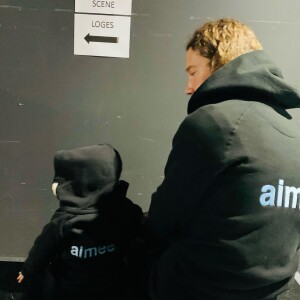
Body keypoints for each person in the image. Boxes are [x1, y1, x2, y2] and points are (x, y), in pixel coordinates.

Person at [147, 18, 300, 300]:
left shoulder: (211, 122)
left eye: (192, 72)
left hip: (201, 287)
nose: (188, 86)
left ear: (219, 63)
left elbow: (162, 219)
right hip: (275, 290)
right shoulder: (293, 132)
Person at [17, 144, 144, 300]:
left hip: (68, 288)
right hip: (110, 284)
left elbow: (43, 248)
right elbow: (139, 226)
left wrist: (28, 271)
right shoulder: (123, 208)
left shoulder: (64, 220)